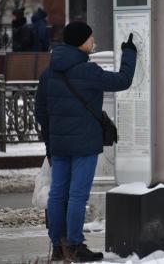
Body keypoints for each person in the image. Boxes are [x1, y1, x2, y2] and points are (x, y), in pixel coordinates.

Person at [34, 21, 137, 262]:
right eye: (91, 38)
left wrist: (51, 144)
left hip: (59, 145)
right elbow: (123, 80)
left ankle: (58, 246)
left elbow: (41, 113)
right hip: (83, 145)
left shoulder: (49, 73)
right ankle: (75, 245)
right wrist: (129, 53)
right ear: (82, 41)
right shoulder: (87, 71)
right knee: (78, 196)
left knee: (58, 195)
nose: (93, 42)